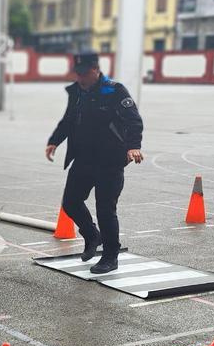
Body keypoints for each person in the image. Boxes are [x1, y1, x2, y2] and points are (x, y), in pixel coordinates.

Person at [45, 52, 144, 274]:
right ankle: (92, 235)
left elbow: (134, 120)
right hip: (83, 159)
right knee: (70, 202)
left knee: (105, 210)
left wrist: (133, 146)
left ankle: (110, 257)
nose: (80, 78)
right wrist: (54, 141)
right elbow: (69, 119)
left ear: (96, 70)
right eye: (77, 74)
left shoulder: (114, 90)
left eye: (84, 74)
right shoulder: (77, 92)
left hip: (110, 161)